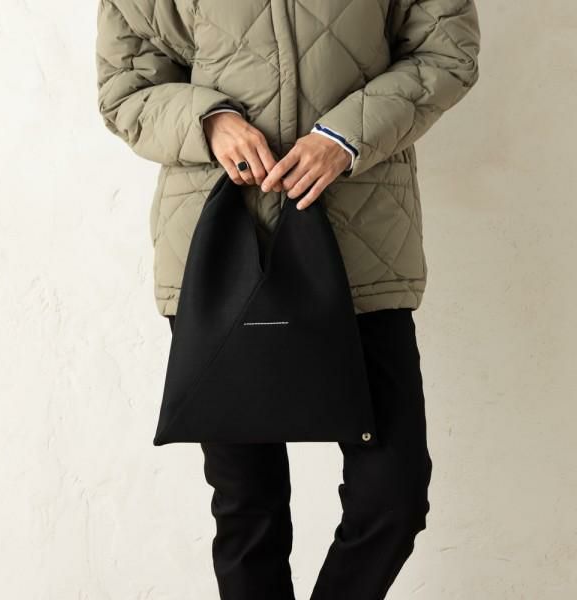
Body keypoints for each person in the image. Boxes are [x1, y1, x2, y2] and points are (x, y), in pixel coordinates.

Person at [96, 1, 480, 598]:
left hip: (362, 250)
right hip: (218, 252)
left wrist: (345, 137)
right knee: (248, 510)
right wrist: (209, 122)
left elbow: (446, 50)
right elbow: (127, 86)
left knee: (394, 497)